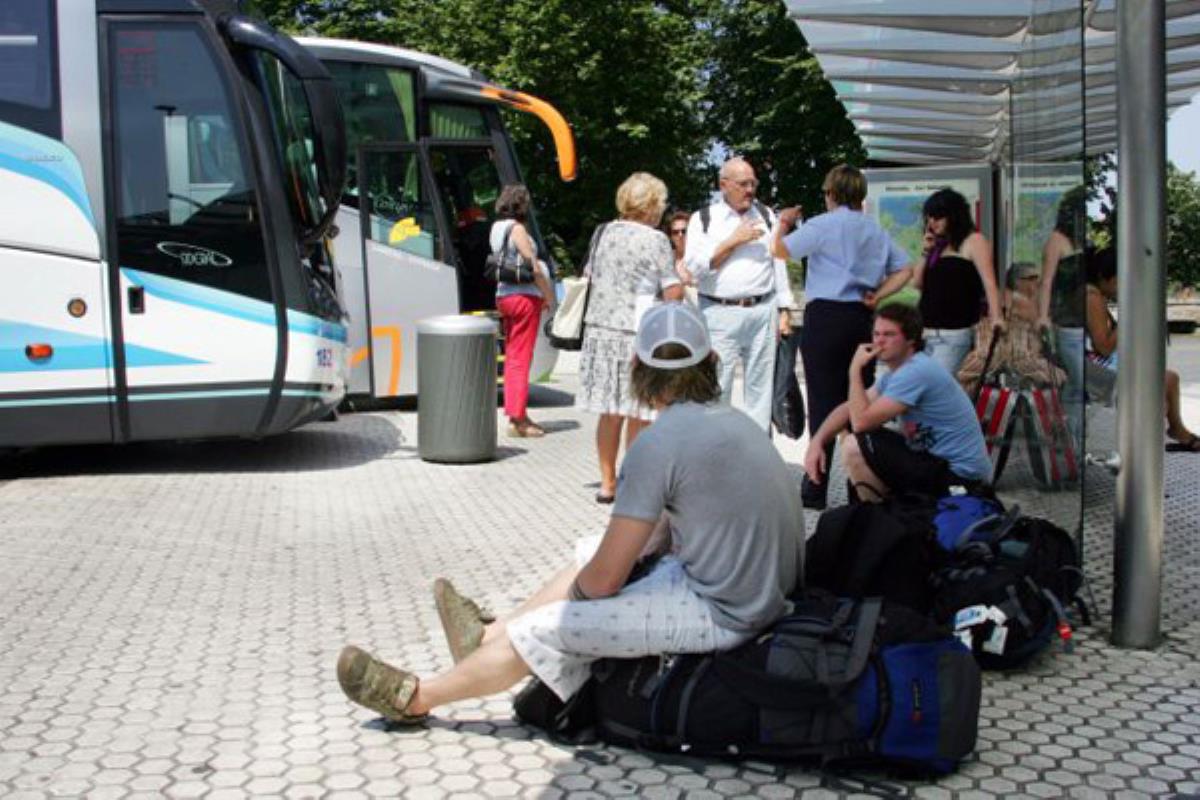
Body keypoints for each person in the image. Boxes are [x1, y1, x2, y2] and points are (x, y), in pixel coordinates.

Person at [335, 302, 804, 724]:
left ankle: (418, 698)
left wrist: (578, 602)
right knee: (590, 552)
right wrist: (598, 578)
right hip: (763, 589)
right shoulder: (735, 421)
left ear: (636, 367)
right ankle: (487, 637)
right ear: (712, 362)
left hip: (729, 613)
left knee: (546, 628)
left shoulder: (657, 444)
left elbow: (605, 581)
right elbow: (654, 538)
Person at [772, 164, 912, 509]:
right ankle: (861, 483)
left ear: (831, 194)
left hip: (824, 317)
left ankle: (815, 486)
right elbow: (905, 269)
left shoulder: (821, 225)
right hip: (861, 317)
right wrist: (878, 295)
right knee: (859, 399)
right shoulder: (875, 230)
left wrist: (784, 223)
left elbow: (780, 250)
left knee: (822, 399)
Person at [804, 304, 992, 502]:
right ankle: (880, 513)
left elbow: (859, 423)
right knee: (866, 443)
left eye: (889, 334)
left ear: (910, 339)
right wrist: (817, 441)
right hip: (937, 464)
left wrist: (854, 371)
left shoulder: (916, 371)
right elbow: (847, 409)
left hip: (962, 478)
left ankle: (877, 516)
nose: (879, 341)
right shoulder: (896, 374)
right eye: (876, 334)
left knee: (855, 446)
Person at [576, 172, 684, 502]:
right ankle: (632, 482)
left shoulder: (602, 232)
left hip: (601, 332)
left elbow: (591, 276)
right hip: (638, 333)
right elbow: (672, 289)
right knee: (641, 412)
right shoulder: (655, 240)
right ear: (651, 206)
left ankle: (607, 484)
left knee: (610, 412)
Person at [685, 157, 794, 432]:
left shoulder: (766, 215)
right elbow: (694, 268)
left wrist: (784, 308)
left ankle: (756, 449)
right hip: (718, 313)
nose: (750, 190)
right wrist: (733, 241)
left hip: (762, 310)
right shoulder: (704, 219)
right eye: (743, 184)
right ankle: (717, 447)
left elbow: (777, 262)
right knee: (717, 386)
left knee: (761, 390)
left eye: (753, 184)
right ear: (724, 185)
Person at [1085, 248, 1199, 452]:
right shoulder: (1092, 297)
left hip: (1100, 367)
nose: (1122, 287)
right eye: (1119, 281)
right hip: (1095, 373)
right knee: (1160, 389)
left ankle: (1174, 430)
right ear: (1103, 276)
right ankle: (1144, 449)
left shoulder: (1096, 294)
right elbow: (1104, 347)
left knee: (1169, 379)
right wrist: (1130, 312)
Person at [913, 188, 1004, 376]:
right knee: (925, 383)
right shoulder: (938, 246)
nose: (932, 223)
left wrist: (996, 317)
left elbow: (989, 282)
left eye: (938, 217)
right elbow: (917, 283)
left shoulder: (974, 241)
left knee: (937, 384)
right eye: (929, 218)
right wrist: (926, 251)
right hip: (927, 331)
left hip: (953, 332)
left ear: (953, 216)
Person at [491, 185, 555, 438]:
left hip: (504, 296)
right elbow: (534, 267)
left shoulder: (497, 228)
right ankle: (519, 421)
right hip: (523, 298)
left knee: (513, 356)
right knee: (520, 358)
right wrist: (548, 295)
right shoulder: (517, 229)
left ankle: (516, 413)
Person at [956, 262, 1066, 397]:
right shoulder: (1014, 299)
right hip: (1004, 354)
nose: (1036, 282)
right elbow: (1038, 322)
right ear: (1017, 281)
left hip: (1008, 355)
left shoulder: (1023, 299)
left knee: (1056, 378)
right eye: (1031, 278)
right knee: (1058, 377)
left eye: (1037, 278)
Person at [1037, 188, 1088, 442]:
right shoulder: (1057, 240)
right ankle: (1070, 439)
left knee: (1078, 382)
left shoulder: (1080, 240)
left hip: (1082, 321)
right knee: (1076, 381)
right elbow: (1046, 282)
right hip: (1067, 321)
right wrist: (1043, 316)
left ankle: (1072, 437)